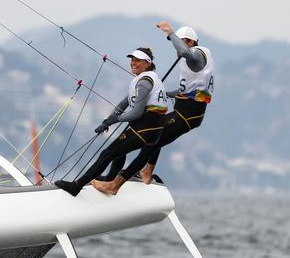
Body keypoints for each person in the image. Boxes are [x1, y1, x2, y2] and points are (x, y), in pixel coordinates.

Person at [93, 22, 214, 194]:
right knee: (154, 134)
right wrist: (163, 93)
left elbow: (186, 53)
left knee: (150, 140)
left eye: (179, 42)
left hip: (187, 115)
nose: (177, 48)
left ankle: (115, 185)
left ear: (190, 42)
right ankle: (146, 172)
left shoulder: (195, 56)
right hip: (187, 113)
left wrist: (170, 32)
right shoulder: (197, 61)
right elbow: (185, 91)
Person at [55, 47, 168, 196]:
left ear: (147, 63)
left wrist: (117, 119)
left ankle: (76, 186)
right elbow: (124, 103)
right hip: (150, 128)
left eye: (138, 60)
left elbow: (136, 113)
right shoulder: (148, 79)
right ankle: (109, 179)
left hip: (146, 128)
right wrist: (107, 122)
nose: (133, 63)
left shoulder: (144, 82)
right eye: (132, 60)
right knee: (119, 152)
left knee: (107, 154)